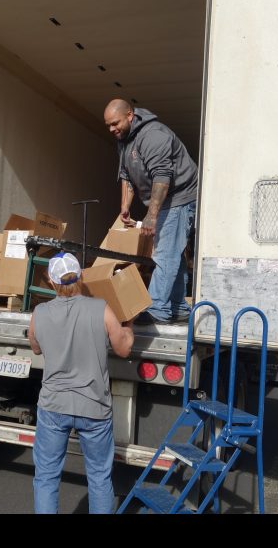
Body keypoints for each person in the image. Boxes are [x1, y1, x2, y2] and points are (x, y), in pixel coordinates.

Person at [28, 252, 134, 514]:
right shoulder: (101, 309)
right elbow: (124, 349)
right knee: (99, 478)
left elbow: (36, 347)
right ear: (81, 276)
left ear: (51, 282)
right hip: (94, 406)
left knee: (46, 477)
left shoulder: (39, 313)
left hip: (54, 405)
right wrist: (129, 327)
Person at [103, 98, 199, 325]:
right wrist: (125, 206)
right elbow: (126, 175)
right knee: (172, 251)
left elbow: (162, 177)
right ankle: (177, 306)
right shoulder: (124, 140)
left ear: (129, 115)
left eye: (115, 123)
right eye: (108, 125)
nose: (112, 129)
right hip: (164, 198)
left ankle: (157, 309)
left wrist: (151, 216)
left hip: (180, 196)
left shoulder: (153, 135)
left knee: (165, 252)